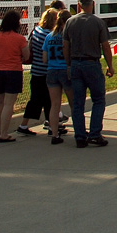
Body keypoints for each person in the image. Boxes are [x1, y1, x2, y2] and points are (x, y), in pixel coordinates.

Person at [64, 0, 114, 148]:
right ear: (93, 3)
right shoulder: (98, 23)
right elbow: (105, 46)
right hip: (92, 63)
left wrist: (68, 64)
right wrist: (110, 65)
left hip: (76, 63)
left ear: (78, 5)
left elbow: (65, 46)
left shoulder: (70, 22)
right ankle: (94, 133)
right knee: (98, 99)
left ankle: (79, 135)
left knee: (78, 102)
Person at [0, 10, 30, 142]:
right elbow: (27, 56)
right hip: (13, 71)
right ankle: (4, 133)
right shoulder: (20, 39)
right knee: (9, 104)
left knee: (0, 101)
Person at [15, 7, 56, 136]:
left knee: (36, 99)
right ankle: (51, 126)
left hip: (36, 70)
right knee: (49, 100)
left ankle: (24, 124)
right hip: (46, 70)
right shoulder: (49, 35)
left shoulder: (37, 31)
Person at [43, 9, 71, 145]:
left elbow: (44, 58)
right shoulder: (68, 36)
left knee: (54, 105)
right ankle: (80, 130)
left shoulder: (49, 37)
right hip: (65, 70)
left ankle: (54, 134)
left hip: (52, 70)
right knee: (73, 103)